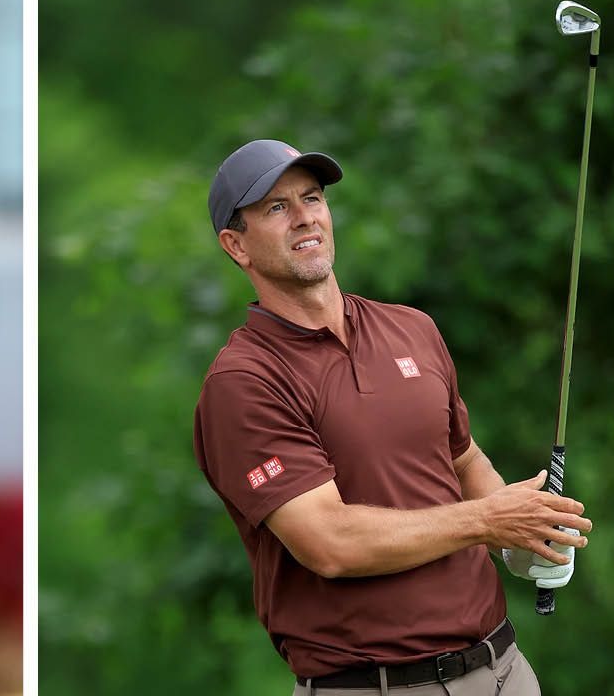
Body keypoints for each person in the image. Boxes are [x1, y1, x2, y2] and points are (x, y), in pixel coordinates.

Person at [193, 139, 592, 695]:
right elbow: (329, 542)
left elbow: (463, 458)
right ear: (236, 245)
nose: (305, 217)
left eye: (312, 198)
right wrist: (488, 521)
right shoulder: (245, 382)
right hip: (375, 685)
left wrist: (523, 541)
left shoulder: (411, 328)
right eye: (276, 207)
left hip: (504, 669)